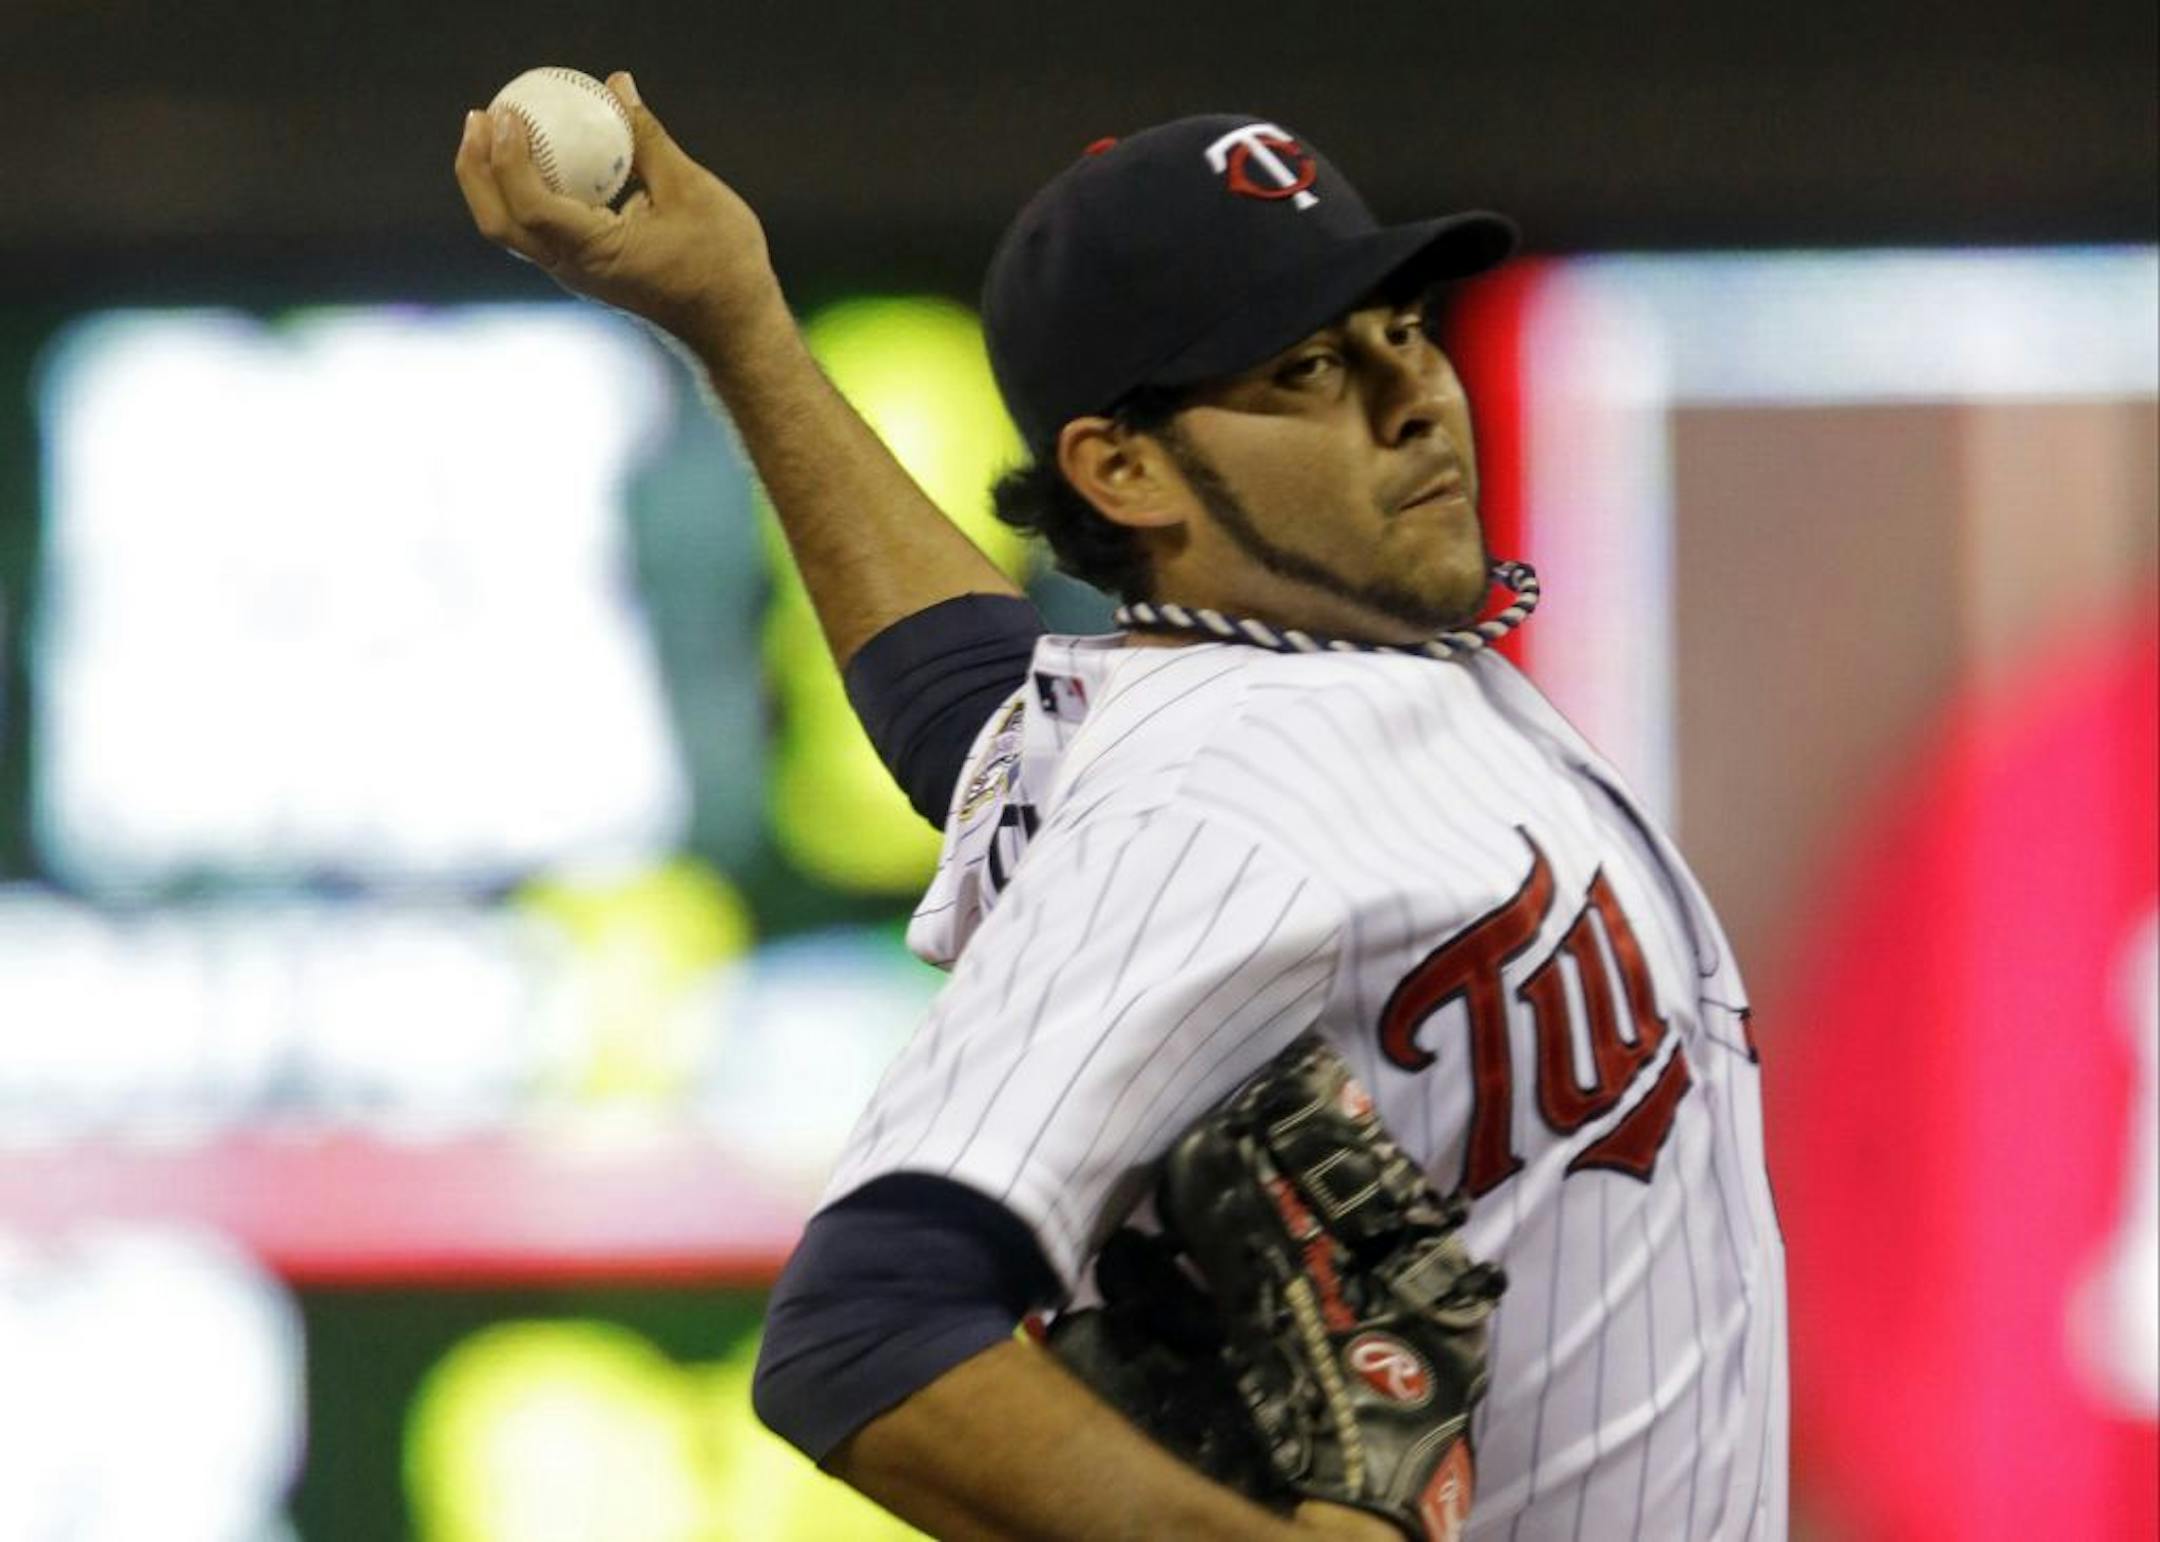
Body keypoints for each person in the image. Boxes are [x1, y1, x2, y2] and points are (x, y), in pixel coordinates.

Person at [457, 77, 1788, 1541]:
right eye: (1308, 371)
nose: (1415, 397)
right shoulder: (1214, 813)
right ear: (1123, 468)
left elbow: (959, 699)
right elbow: (865, 1328)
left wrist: (742, 323)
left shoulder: (1269, 687)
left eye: (1403, 329)